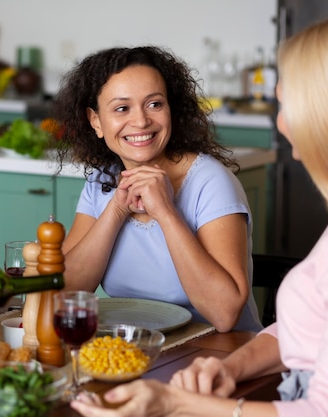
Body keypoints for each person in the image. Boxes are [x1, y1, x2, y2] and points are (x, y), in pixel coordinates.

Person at [70, 17, 328, 417]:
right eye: (122, 108)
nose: (280, 121)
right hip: (194, 365)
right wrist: (230, 367)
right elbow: (305, 334)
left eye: (287, 104)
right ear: (95, 121)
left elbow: (327, 410)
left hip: (203, 362)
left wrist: (179, 403)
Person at [52, 45, 262, 332]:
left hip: (216, 355)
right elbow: (63, 295)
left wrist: (165, 211)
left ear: (171, 109)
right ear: (96, 121)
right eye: (122, 108)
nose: (140, 121)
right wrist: (116, 209)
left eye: (154, 104)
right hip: (132, 351)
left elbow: (225, 315)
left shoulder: (211, 182)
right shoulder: (102, 181)